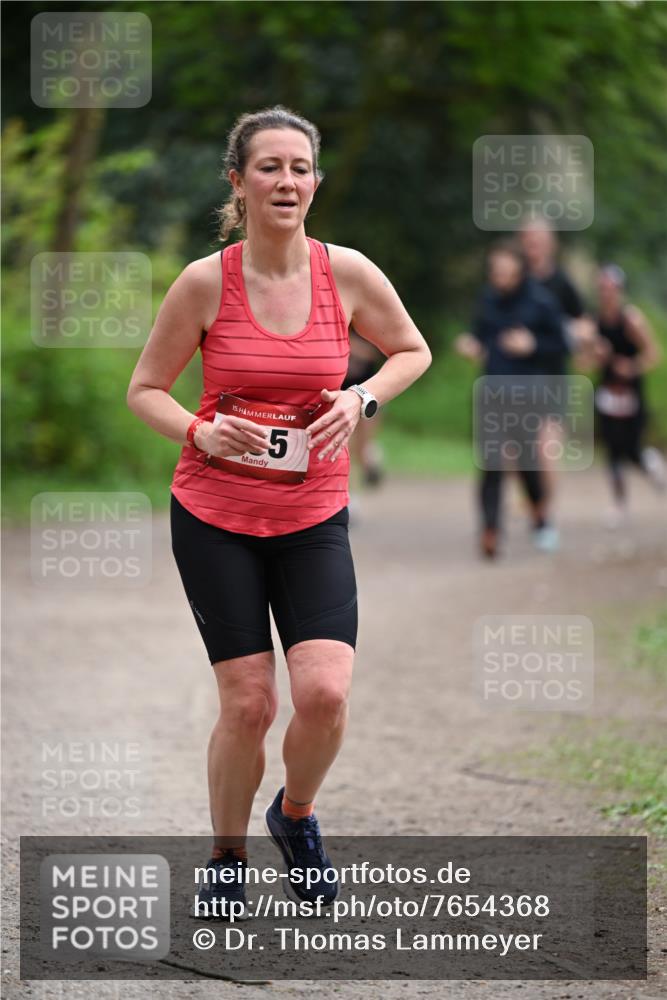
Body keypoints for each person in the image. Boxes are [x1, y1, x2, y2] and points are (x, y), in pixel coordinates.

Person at [126, 106, 431, 916]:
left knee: (325, 694)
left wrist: (359, 400)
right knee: (249, 702)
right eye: (269, 167)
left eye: (300, 167)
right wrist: (200, 429)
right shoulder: (204, 282)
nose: (286, 181)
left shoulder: (349, 274)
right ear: (238, 181)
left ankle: (294, 818)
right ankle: (227, 854)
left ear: (315, 183)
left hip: (312, 515)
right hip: (215, 514)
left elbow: (412, 350)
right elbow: (144, 391)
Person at [456, 241, 568, 559]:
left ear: (520, 272)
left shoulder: (541, 302)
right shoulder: (488, 298)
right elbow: (479, 334)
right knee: (491, 461)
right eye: (496, 272)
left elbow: (561, 345)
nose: (500, 278)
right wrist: (471, 344)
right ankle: (491, 530)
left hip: (527, 395)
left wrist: (532, 344)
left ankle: (541, 516)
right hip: (491, 392)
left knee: (526, 462)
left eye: (506, 272)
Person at [519, 218, 596, 546]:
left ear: (551, 244)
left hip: (551, 378)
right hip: (514, 380)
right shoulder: (514, 280)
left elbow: (585, 327)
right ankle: (536, 511)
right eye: (528, 238)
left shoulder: (561, 283)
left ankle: (546, 517)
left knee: (546, 450)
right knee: (519, 456)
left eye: (539, 238)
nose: (533, 244)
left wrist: (576, 340)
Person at [591, 264, 665, 527]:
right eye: (602, 289)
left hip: (631, 394)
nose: (606, 294)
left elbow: (654, 354)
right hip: (607, 394)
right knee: (612, 450)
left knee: (632, 450)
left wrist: (631, 367)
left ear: (620, 291)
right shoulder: (594, 322)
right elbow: (584, 362)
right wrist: (594, 356)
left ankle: (653, 466)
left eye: (611, 289)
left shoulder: (631, 319)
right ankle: (619, 504)